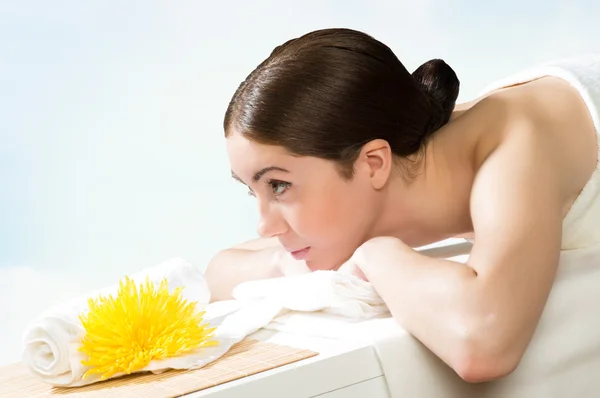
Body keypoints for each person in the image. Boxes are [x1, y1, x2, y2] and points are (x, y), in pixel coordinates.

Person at [204, 28, 600, 382]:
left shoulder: (513, 145)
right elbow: (221, 271)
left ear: (373, 162)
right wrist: (283, 261)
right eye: (252, 190)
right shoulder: (391, 178)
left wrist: (379, 256)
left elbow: (484, 342)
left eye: (279, 185)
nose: (264, 227)